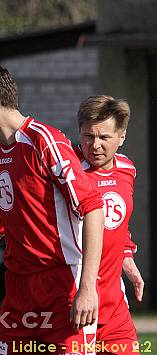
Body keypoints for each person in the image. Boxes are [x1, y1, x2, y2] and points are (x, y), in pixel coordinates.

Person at [0, 63, 105, 354]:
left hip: (61, 286)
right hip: (18, 291)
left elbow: (93, 207)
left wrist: (87, 288)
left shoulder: (45, 142)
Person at [75, 95, 143, 354]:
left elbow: (119, 224)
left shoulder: (127, 169)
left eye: (104, 138)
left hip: (114, 303)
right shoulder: (69, 174)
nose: (95, 145)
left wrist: (127, 257)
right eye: (88, 136)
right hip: (76, 301)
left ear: (121, 137)